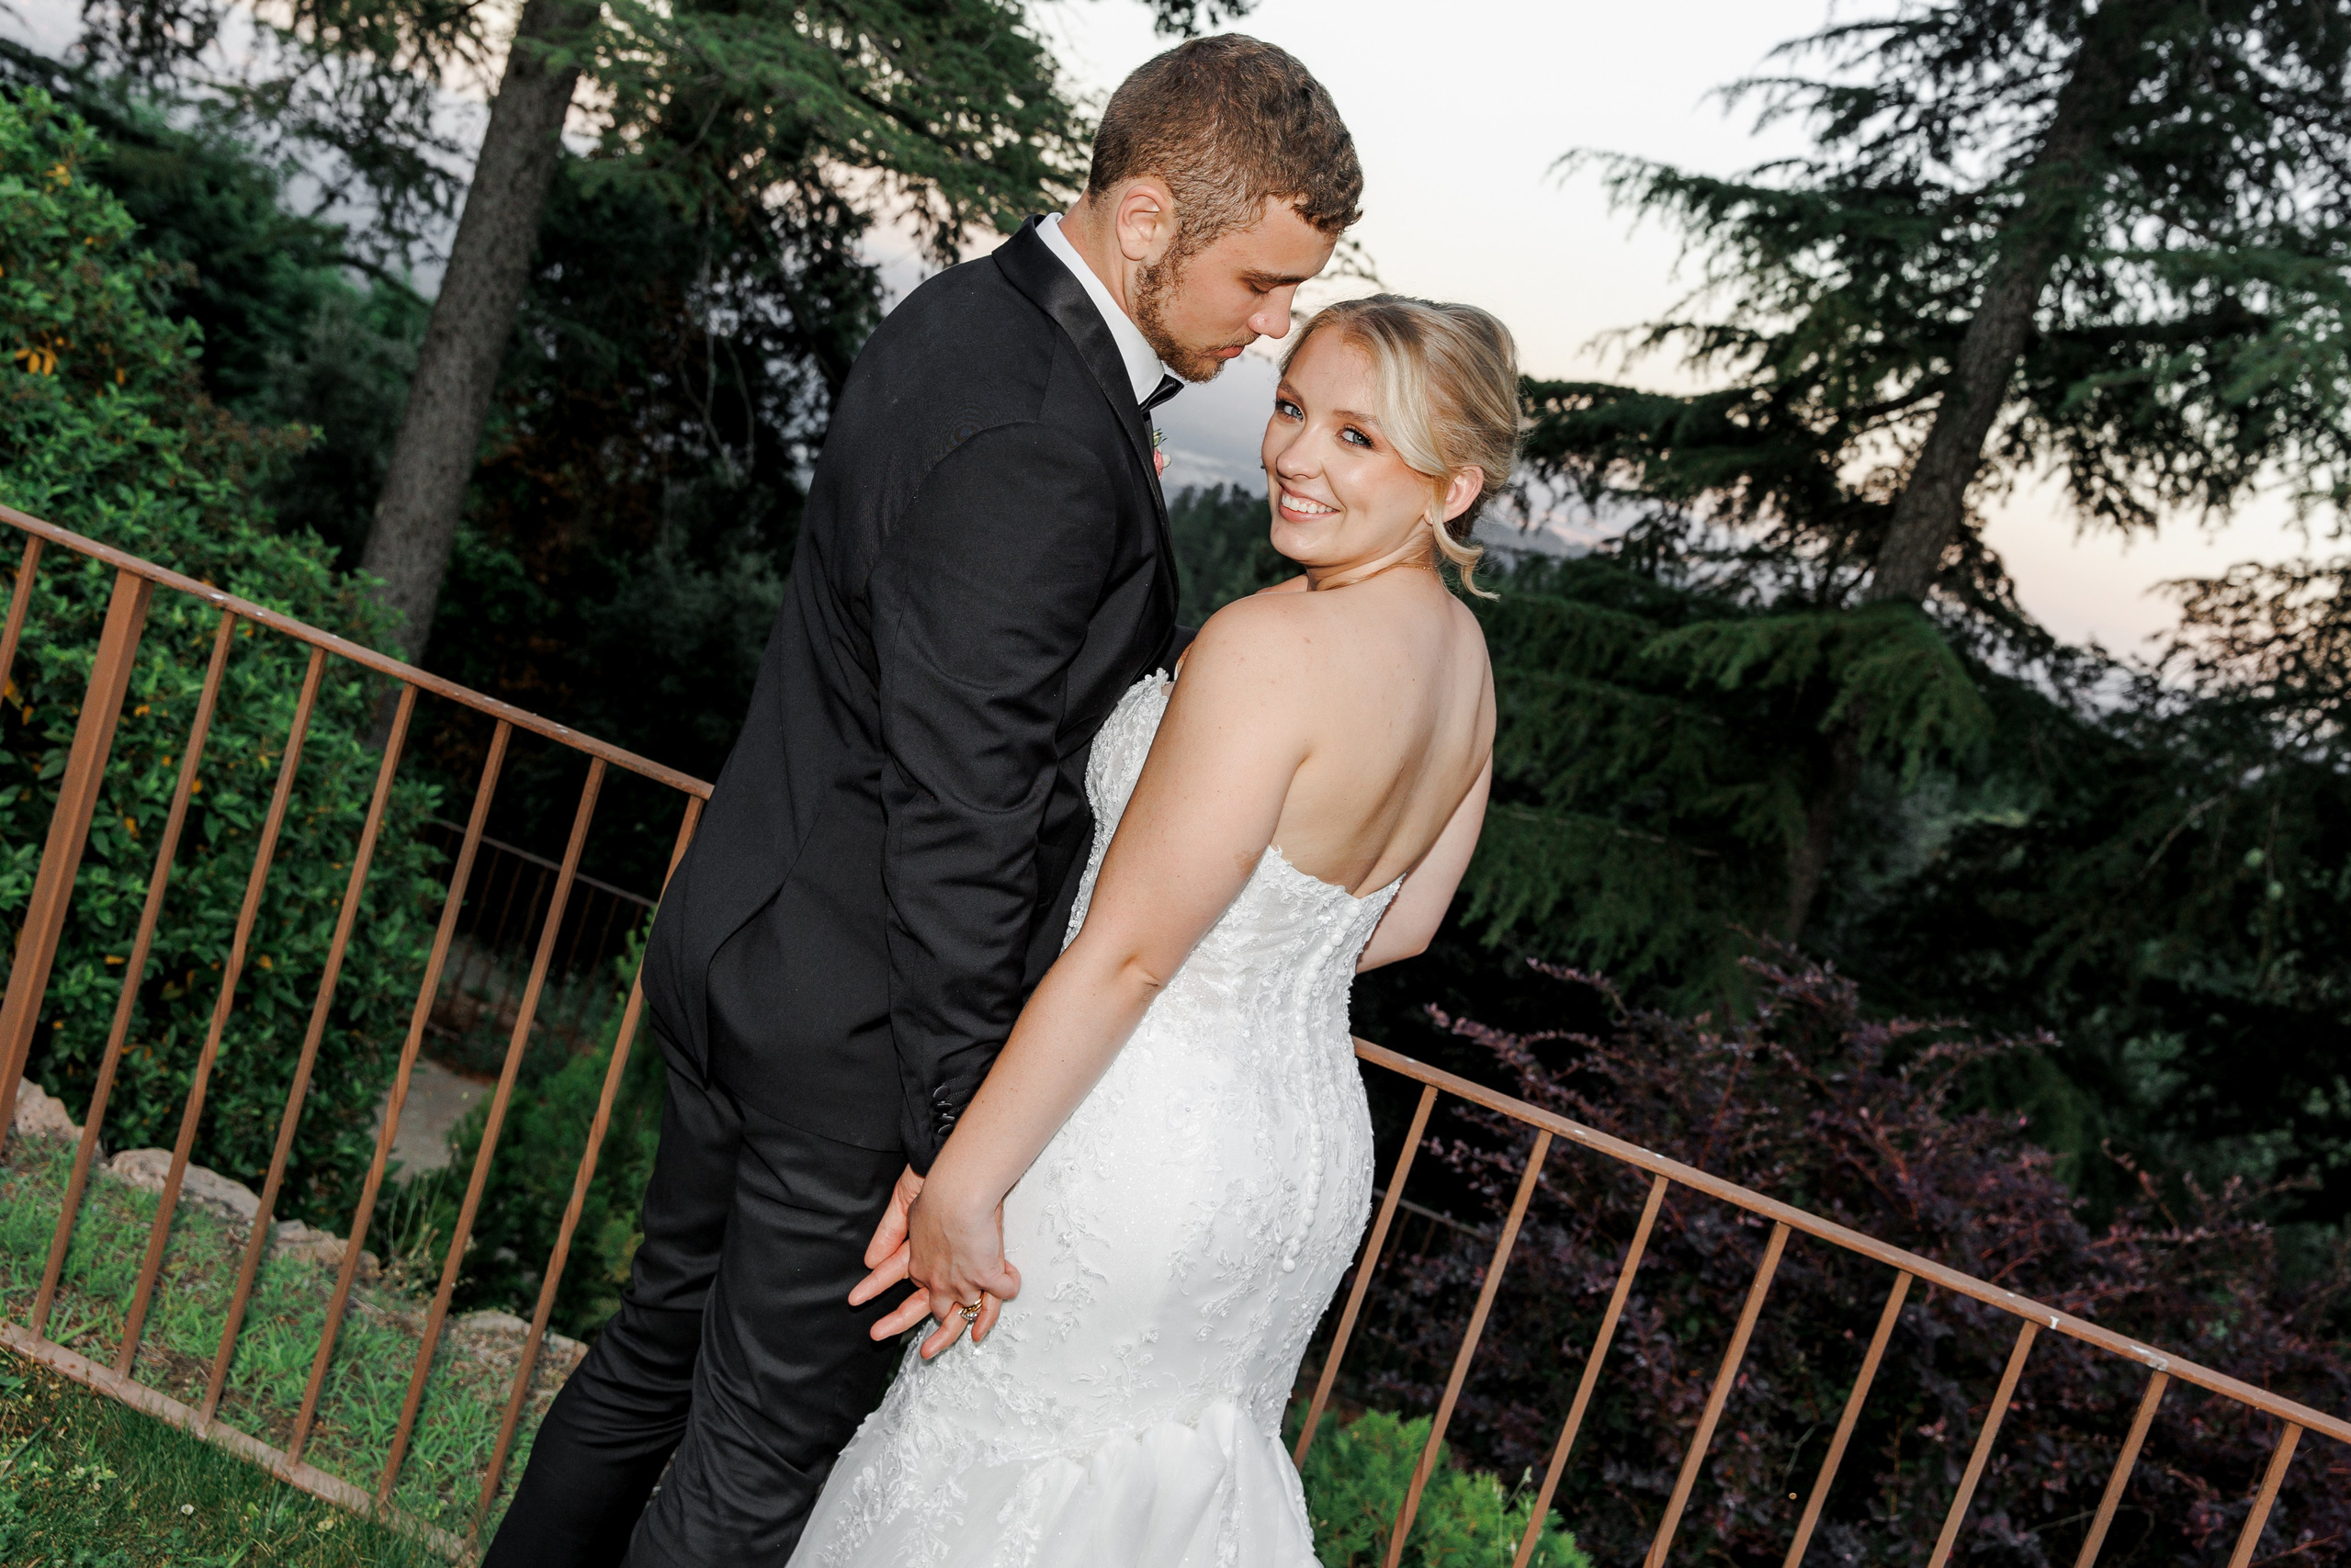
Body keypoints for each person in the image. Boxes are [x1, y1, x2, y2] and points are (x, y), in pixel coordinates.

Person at [480, 36, 1362, 1568]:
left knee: (649, 1361)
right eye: (1261, 284)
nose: (1278, 325)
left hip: (743, 930)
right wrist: (964, 1138)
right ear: (1147, 219)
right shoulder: (1041, 435)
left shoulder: (973, 309)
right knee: (755, 1457)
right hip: (853, 1025)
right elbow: (967, 807)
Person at [788, 293, 1512, 1566]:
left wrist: (965, 1174)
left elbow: (1128, 955)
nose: (1295, 455)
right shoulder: (1464, 661)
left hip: (1144, 1145)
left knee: (999, 1480)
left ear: (1453, 487)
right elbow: (1397, 930)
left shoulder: (1268, 644)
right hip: (1302, 1166)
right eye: (1293, 408)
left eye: (1358, 439)